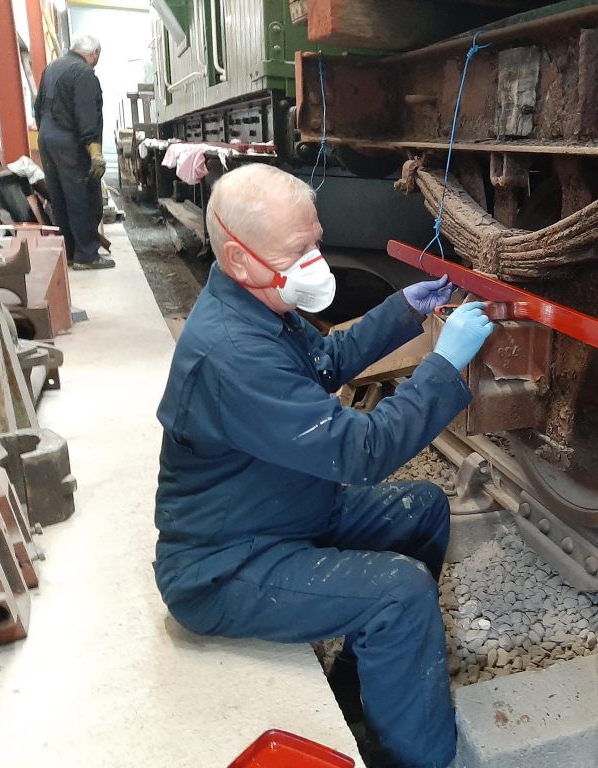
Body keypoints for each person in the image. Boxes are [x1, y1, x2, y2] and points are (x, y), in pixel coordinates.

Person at [153, 163, 494, 768]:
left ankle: (364, 678)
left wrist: (404, 309)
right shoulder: (232, 352)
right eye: (299, 249)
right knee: (399, 592)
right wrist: (443, 366)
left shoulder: (257, 305)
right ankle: (414, 760)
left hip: (281, 509)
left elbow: (327, 359)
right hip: (225, 563)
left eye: (315, 242)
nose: (316, 260)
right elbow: (358, 451)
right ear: (240, 258)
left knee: (422, 509)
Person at [34, 34, 114, 270]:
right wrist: (95, 151)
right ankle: (86, 256)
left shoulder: (51, 68)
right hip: (70, 142)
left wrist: (48, 135)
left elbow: (37, 107)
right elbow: (86, 114)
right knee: (82, 196)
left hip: (47, 139)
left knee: (59, 198)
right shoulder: (83, 72)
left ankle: (69, 252)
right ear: (94, 54)